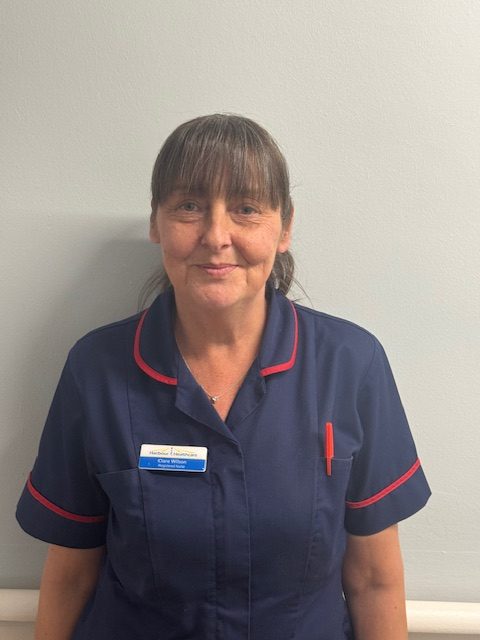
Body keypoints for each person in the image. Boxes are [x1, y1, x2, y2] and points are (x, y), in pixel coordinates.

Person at [16, 113, 431, 640]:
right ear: (156, 222)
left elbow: (374, 580)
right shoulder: (96, 369)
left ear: (284, 227)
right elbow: (72, 575)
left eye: (246, 209)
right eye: (189, 206)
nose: (216, 236)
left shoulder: (350, 364)